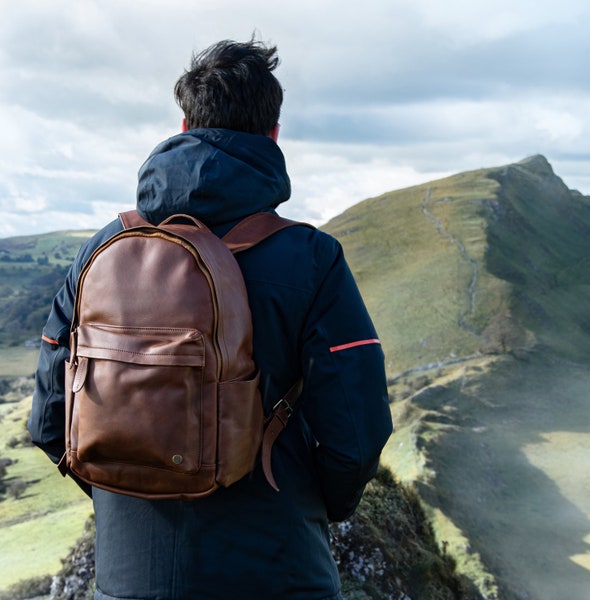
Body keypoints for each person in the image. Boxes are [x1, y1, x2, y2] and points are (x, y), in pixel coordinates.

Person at [28, 39, 393, 600]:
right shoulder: (312, 259)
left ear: (183, 124)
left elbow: (51, 420)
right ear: (273, 134)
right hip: (278, 572)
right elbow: (357, 429)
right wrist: (317, 506)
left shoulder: (103, 249)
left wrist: (126, 488)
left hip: (126, 577)